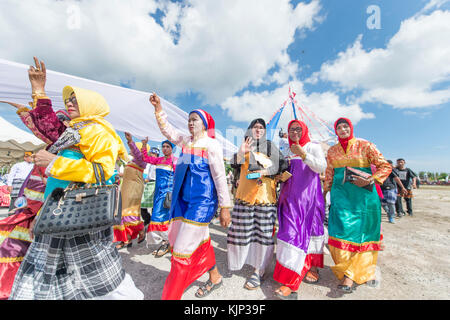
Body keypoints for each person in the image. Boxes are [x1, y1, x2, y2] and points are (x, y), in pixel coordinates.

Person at [9, 57, 143, 300]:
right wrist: (38, 92)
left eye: (75, 99)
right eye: (68, 99)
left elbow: (104, 172)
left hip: (81, 215)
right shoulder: (77, 130)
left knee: (105, 285)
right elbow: (50, 128)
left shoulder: (99, 131)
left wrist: (54, 162)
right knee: (51, 284)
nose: (70, 103)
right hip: (58, 213)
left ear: (91, 104)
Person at [149, 93, 231, 300]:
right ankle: (215, 277)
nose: (190, 123)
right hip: (182, 202)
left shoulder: (211, 145)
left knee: (182, 250)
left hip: (202, 203)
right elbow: (168, 131)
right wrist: (159, 109)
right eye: (189, 120)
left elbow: (220, 177)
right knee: (198, 241)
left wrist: (225, 207)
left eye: (194, 120)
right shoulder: (185, 141)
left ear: (204, 124)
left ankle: (171, 296)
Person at [323, 117, 391, 293]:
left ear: (351, 128)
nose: (343, 129)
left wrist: (371, 178)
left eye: (346, 126)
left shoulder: (365, 145)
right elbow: (329, 174)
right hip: (340, 200)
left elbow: (385, 166)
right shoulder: (332, 151)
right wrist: (323, 194)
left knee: (363, 237)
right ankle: (347, 270)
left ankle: (350, 276)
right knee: (338, 234)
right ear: (335, 131)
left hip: (364, 200)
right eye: (339, 127)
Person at [227, 118, 288, 291]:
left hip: (265, 197)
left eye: (262, 128)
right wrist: (241, 151)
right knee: (242, 231)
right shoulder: (245, 145)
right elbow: (233, 164)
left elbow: (282, 165)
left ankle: (259, 270)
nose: (259, 130)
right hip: (245, 196)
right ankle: (242, 260)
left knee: (263, 234)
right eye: (255, 127)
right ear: (250, 130)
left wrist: (265, 171)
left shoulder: (270, 146)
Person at [273, 120, 327, 300]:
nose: (294, 132)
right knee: (290, 235)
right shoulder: (286, 150)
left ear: (304, 130)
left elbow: (321, 168)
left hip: (309, 200)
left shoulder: (313, 146)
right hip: (289, 199)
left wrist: (304, 154)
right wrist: (280, 176)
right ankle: (290, 279)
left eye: (298, 129)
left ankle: (310, 268)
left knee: (311, 232)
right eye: (291, 130)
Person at [140, 137, 177, 257]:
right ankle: (167, 242)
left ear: (172, 149)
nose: (165, 149)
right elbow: (145, 158)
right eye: (164, 146)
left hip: (167, 195)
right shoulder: (158, 160)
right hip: (157, 193)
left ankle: (167, 242)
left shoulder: (175, 161)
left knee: (158, 217)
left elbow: (179, 179)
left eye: (168, 147)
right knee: (161, 217)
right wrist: (144, 145)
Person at [112, 132, 147, 249]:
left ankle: (139, 230)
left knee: (129, 214)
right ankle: (127, 239)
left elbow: (138, 154)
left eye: (135, 148)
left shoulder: (141, 161)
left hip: (134, 190)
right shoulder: (130, 162)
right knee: (122, 214)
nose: (132, 149)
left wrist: (130, 141)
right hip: (126, 188)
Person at [140, 147, 159, 226]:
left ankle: (153, 222)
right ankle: (147, 219)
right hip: (149, 184)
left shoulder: (158, 164)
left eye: (152, 154)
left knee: (154, 205)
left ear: (155, 154)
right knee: (143, 204)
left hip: (155, 184)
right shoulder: (150, 164)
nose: (150, 155)